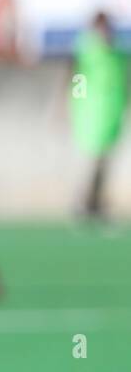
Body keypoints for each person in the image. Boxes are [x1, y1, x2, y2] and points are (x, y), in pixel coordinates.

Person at [70, 12, 127, 220]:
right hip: (92, 114)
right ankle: (83, 202)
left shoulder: (117, 52)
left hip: (112, 113)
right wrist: (78, 103)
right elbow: (77, 76)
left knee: (106, 161)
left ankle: (97, 203)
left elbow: (122, 81)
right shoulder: (87, 51)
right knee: (92, 161)